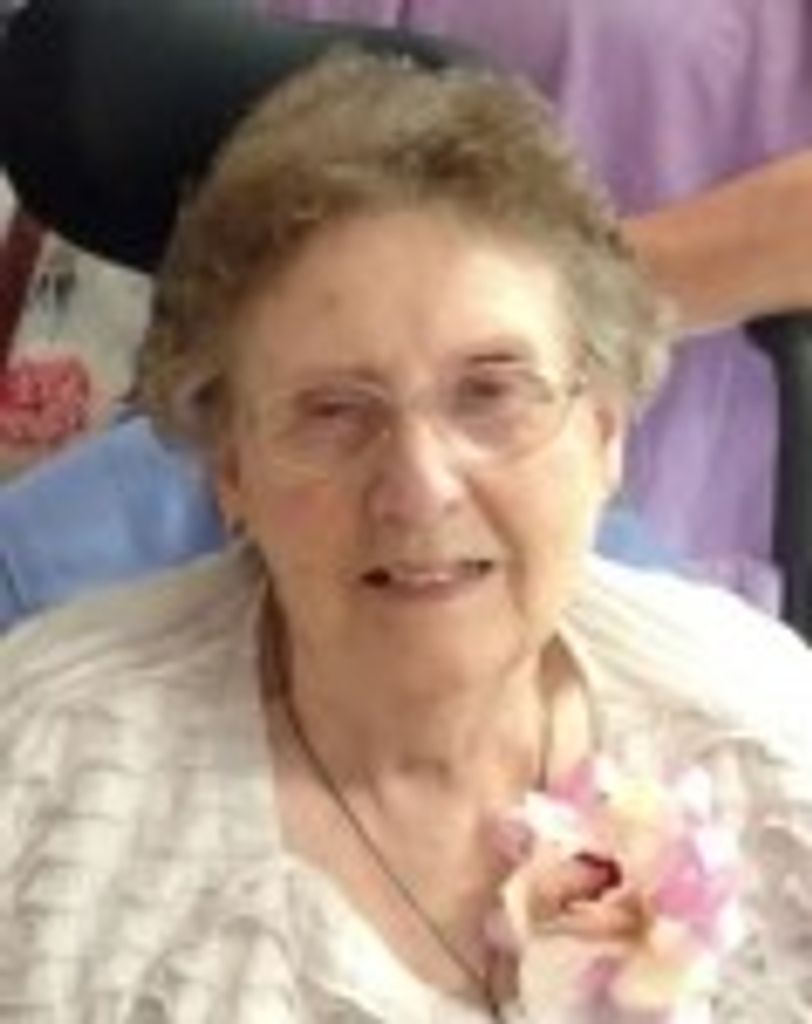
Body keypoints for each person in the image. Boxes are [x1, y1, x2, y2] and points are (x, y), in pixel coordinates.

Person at [3, 46, 812, 1024]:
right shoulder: (37, 783)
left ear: (604, 431)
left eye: (490, 393)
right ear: (230, 470)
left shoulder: (771, 737)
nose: (419, 490)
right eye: (332, 411)